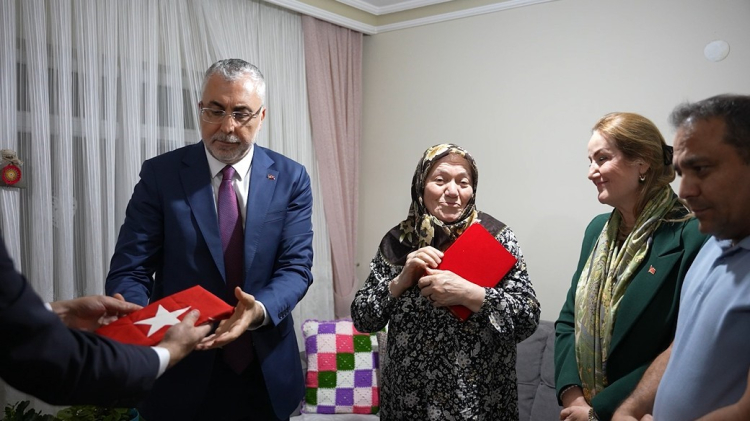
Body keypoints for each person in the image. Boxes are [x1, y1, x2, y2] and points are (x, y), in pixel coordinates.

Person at [105, 58, 313, 421]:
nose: (227, 127)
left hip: (264, 369)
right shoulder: (161, 175)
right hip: (179, 365)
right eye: (215, 111)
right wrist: (137, 321)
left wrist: (257, 310)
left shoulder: (291, 177)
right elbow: (131, 268)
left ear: (262, 116)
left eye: (241, 113)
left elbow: (296, 268)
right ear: (200, 109)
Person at [351, 143, 540, 420]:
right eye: (440, 180)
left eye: (463, 182)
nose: (453, 191)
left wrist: (471, 294)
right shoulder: (398, 241)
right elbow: (362, 318)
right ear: (421, 185)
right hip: (408, 403)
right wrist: (400, 281)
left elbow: (528, 318)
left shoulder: (495, 237)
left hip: (477, 403)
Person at [554, 112, 708, 421]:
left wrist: (599, 411)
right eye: (590, 161)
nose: (591, 172)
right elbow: (568, 321)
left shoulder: (692, 235)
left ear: (643, 163)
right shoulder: (596, 231)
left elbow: (685, 345)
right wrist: (573, 397)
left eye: (602, 159)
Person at [613, 94, 750, 421]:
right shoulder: (714, 243)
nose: (685, 191)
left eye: (701, 169)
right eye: (681, 173)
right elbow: (681, 345)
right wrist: (630, 409)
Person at [0, 234, 210, 406]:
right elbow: (56, 357)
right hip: (172, 389)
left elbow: (11, 321)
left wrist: (62, 313)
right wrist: (166, 351)